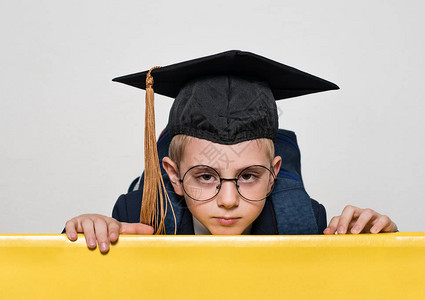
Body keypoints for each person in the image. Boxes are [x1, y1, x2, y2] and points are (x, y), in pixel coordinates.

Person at [64, 50, 398, 253]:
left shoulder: (304, 221)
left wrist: (382, 248)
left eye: (249, 176)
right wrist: (81, 237)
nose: (227, 200)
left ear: (274, 175)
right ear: (174, 176)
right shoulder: (138, 214)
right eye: (205, 176)